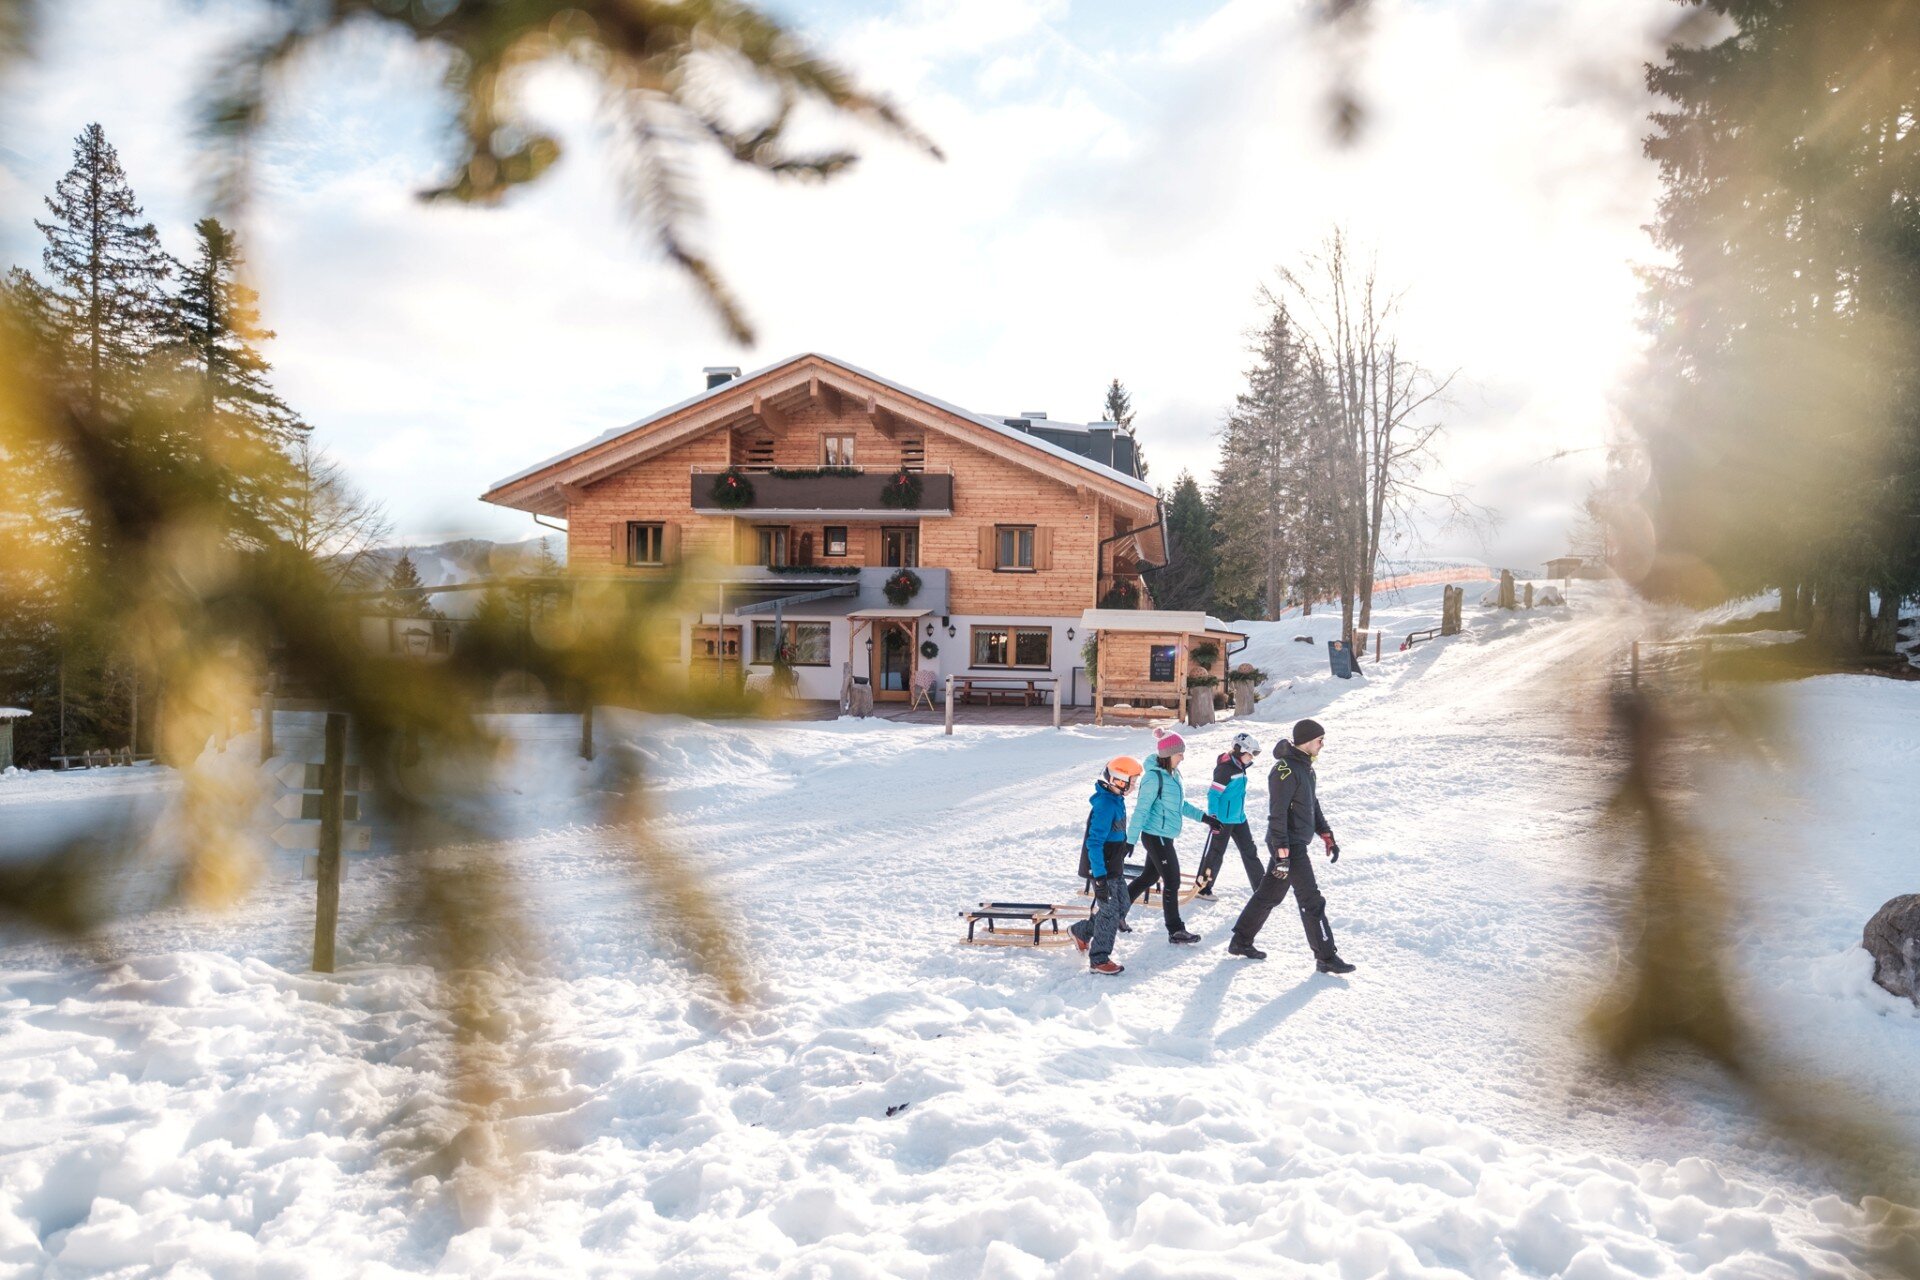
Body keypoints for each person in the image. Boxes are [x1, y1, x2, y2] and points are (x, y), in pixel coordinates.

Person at [1228, 718, 1356, 973]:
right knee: (1311, 899)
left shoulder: (1306, 767)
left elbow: (1312, 804)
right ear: (1308, 741)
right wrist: (1282, 854)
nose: (1322, 745)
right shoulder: (1284, 770)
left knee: (1269, 894)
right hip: (1288, 845)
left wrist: (1326, 833)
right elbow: (1277, 814)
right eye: (1320, 740)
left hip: (1294, 842)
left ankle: (1240, 941)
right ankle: (1326, 957)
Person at [1125, 729, 1208, 944]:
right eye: (1179, 753)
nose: (1182, 757)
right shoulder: (1153, 778)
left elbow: (1180, 805)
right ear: (1168, 754)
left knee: (1148, 877)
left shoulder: (1173, 775)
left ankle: (1115, 913)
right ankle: (1175, 930)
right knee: (1173, 880)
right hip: (1155, 836)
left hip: (1164, 836)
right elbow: (1141, 810)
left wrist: (1205, 818)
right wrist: (1130, 840)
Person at [1070, 755, 1142, 975]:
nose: (1134, 785)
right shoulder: (1105, 805)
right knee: (1110, 912)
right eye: (1132, 780)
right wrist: (1099, 878)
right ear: (1119, 780)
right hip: (1101, 868)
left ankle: (1082, 931)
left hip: (1114, 865)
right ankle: (1099, 959)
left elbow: (1114, 831)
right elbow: (1094, 843)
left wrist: (1124, 844)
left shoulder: (1116, 799)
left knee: (1122, 905)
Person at [1196, 732, 1264, 898]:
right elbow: (1213, 795)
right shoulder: (1225, 770)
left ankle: (1262, 888)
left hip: (1239, 818)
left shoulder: (1240, 766)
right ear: (1240, 751)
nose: (1253, 757)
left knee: (1250, 852)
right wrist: (1213, 818)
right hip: (1223, 820)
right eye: (1251, 753)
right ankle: (1203, 889)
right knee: (1216, 854)